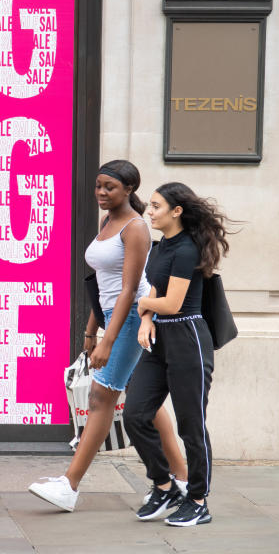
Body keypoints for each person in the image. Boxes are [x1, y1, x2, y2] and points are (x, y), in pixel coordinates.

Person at [29, 160, 187, 511]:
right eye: (98, 185)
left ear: (129, 189)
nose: (101, 192)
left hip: (132, 317)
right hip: (115, 318)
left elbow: (129, 290)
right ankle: (182, 476)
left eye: (109, 187)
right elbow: (104, 283)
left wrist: (108, 340)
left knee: (102, 396)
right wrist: (90, 330)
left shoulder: (135, 228)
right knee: (145, 398)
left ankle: (69, 485)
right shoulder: (107, 221)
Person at [124, 182, 234, 526]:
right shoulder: (161, 246)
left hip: (188, 339)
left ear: (177, 211)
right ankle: (164, 485)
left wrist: (140, 303)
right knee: (135, 414)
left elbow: (170, 303)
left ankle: (198, 500)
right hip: (160, 341)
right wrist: (145, 319)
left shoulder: (186, 249)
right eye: (150, 206)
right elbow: (157, 287)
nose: (149, 212)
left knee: (191, 426)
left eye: (156, 206)